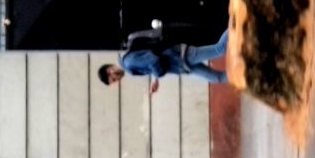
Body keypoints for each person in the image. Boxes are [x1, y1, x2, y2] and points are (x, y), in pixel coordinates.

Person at [98, 28, 230, 92]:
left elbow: (153, 60)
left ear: (110, 70)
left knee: (219, 49)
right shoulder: (128, 62)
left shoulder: (129, 63)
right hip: (182, 64)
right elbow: (151, 59)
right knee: (216, 78)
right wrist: (155, 80)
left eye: (113, 79)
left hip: (181, 56)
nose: (117, 80)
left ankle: (235, 20)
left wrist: (158, 75)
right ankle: (241, 76)